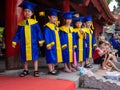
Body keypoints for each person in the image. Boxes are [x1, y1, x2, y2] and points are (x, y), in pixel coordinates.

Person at [12, 1, 44, 77]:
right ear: (23, 12)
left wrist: (40, 41)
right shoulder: (21, 24)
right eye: (25, 11)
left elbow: (39, 32)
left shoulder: (35, 23)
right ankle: (25, 70)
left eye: (29, 11)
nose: (27, 13)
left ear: (32, 13)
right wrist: (14, 41)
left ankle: (36, 70)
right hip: (24, 43)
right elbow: (17, 34)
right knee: (24, 57)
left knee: (35, 57)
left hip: (33, 43)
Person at [43, 8, 62, 75]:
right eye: (53, 17)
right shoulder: (47, 27)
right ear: (49, 17)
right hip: (50, 45)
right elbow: (46, 36)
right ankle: (50, 70)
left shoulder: (55, 27)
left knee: (54, 57)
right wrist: (48, 44)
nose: (55, 19)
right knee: (50, 57)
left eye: (55, 17)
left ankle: (53, 68)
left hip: (55, 45)